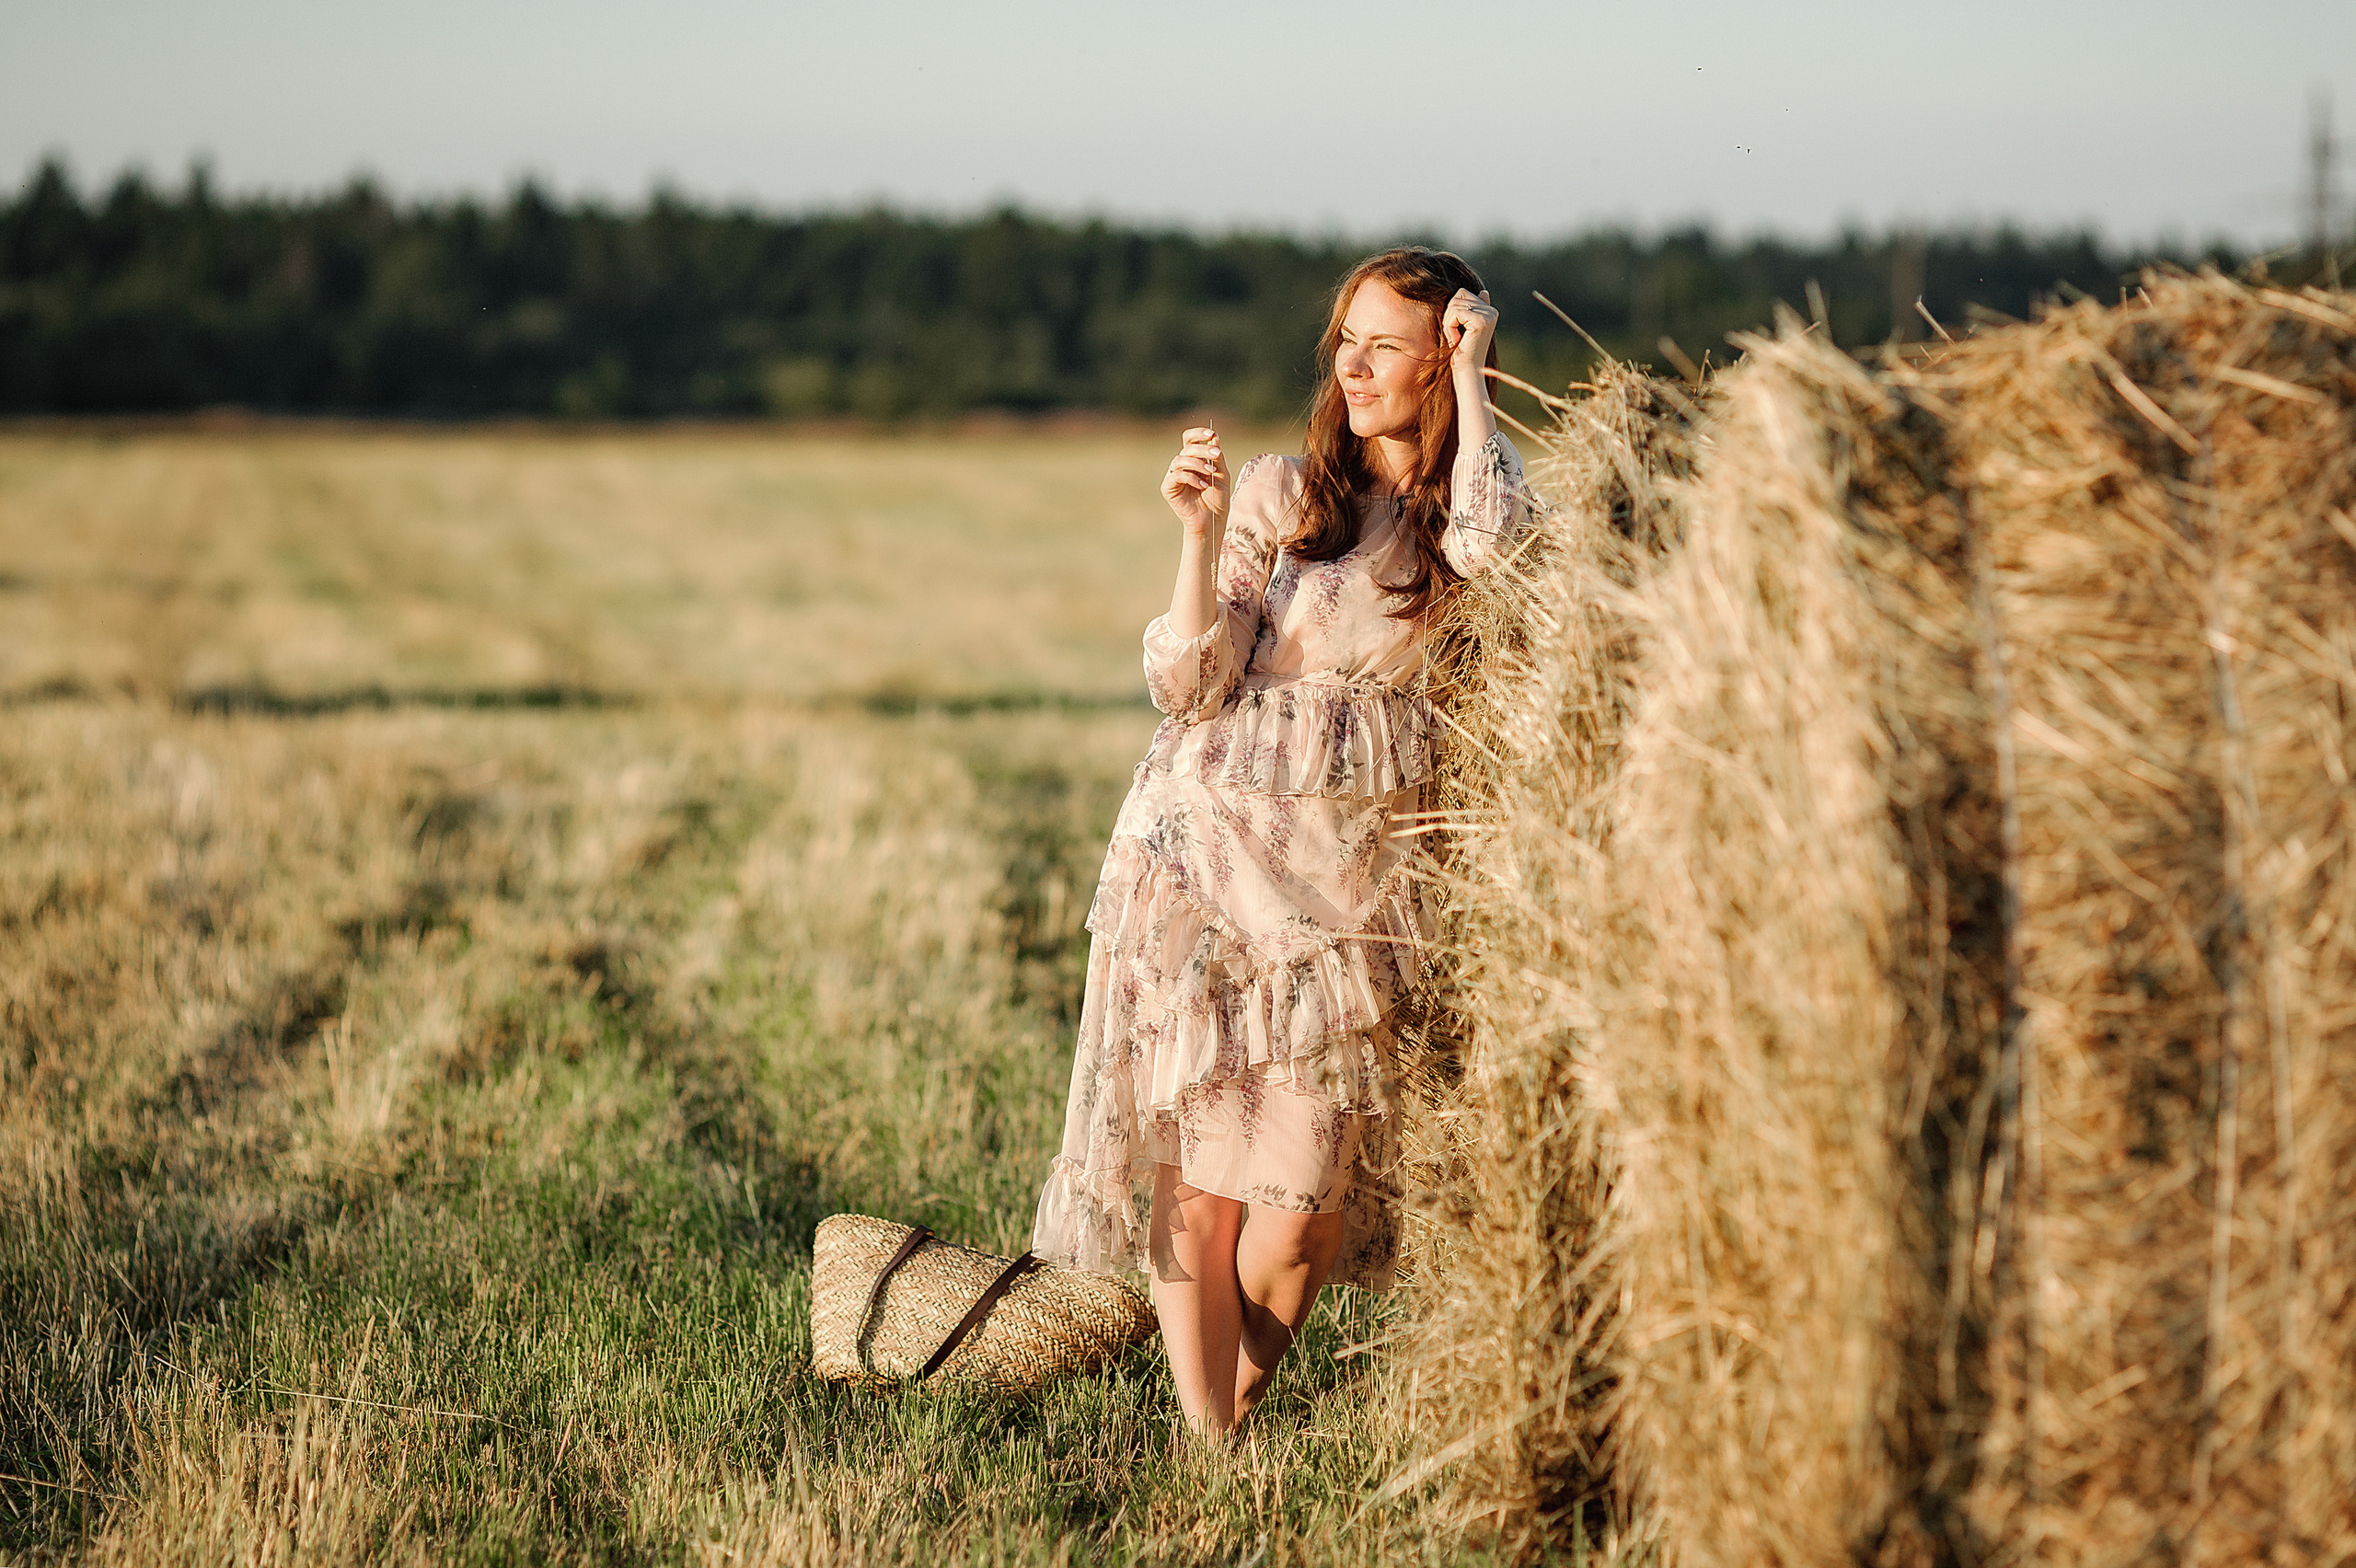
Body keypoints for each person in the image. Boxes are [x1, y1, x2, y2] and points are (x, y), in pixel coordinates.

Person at [1030, 247, 1527, 1438]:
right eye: (1343, 340)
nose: (1352, 365)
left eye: (1386, 345)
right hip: (1205, 860)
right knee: (1200, 1182)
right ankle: (1212, 1448)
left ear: (1444, 355)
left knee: (1301, 1214)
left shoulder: (1460, 517)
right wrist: (1198, 538)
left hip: (1354, 895)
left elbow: (1497, 551)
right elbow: (1190, 684)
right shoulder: (1281, 494)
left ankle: (1224, 1418)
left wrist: (1479, 382)